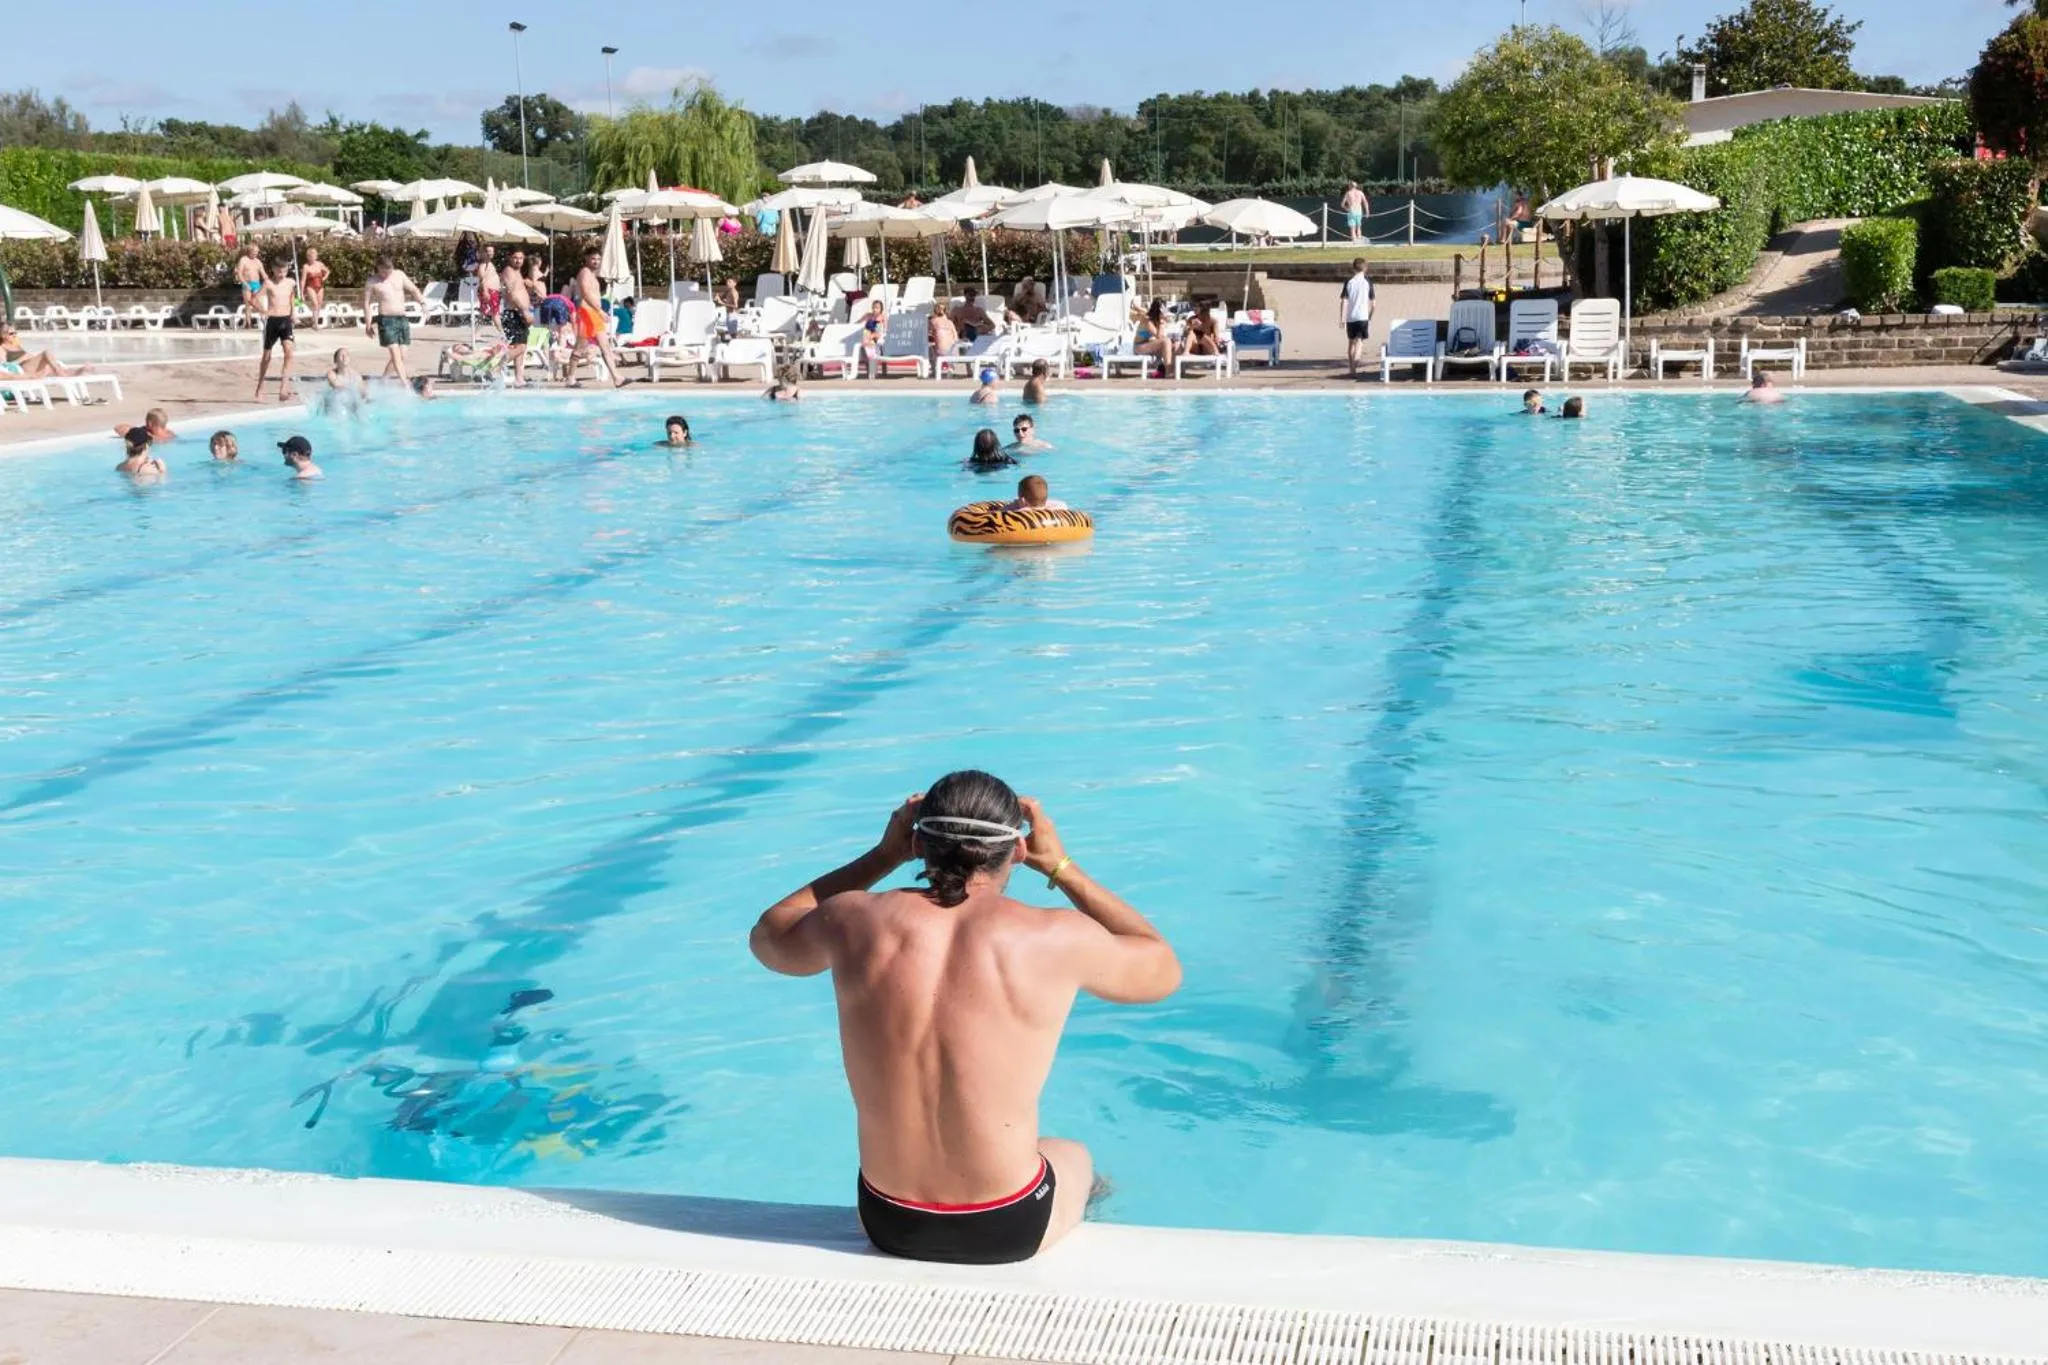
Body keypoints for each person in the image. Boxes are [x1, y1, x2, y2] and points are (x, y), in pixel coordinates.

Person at [749, 773, 1180, 1265]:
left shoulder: (850, 919)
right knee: (1072, 1154)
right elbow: (1161, 968)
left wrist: (883, 856)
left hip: (887, 1219)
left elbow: (770, 935)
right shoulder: (1057, 936)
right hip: (1009, 1223)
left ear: (917, 842)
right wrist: (1060, 867)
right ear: (1017, 849)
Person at [365, 254, 427, 383]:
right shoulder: (372, 282)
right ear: (378, 267)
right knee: (396, 355)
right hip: (386, 321)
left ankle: (382, 381)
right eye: (384, 272)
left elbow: (414, 290)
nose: (386, 274)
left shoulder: (399, 275)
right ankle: (406, 384)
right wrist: (368, 324)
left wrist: (423, 303)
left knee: (402, 355)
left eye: (389, 271)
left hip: (402, 319)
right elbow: (367, 304)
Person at [570, 247, 626, 389]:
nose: (596, 261)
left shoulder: (593, 275)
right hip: (587, 312)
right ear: (586, 259)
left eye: (598, 259)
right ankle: (570, 377)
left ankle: (616, 377)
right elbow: (586, 294)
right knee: (580, 348)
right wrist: (600, 310)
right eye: (593, 258)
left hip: (593, 313)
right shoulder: (584, 273)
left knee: (604, 346)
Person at [250, 260, 298, 402]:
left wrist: (293, 312)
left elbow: (292, 296)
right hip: (273, 321)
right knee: (266, 357)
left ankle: (283, 388)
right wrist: (262, 310)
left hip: (286, 320)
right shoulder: (268, 283)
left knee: (289, 352)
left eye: (284, 271)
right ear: (273, 269)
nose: (281, 274)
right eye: (278, 271)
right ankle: (260, 386)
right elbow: (253, 299)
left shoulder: (291, 282)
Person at [1, 323, 90, 378]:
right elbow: (5, 367)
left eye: (15, 333)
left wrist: (30, 356)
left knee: (50, 365)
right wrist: (22, 359)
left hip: (29, 365)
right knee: (46, 353)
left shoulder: (16, 345)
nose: (15, 335)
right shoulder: (2, 348)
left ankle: (72, 372)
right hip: (22, 369)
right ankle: (64, 373)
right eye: (11, 333)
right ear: (3, 335)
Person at [500, 247, 534, 387]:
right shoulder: (508, 271)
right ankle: (496, 366)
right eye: (515, 257)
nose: (518, 260)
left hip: (519, 313)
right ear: (510, 257)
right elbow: (512, 294)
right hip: (514, 313)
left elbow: (520, 292)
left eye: (520, 258)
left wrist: (530, 287)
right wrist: (524, 312)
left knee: (521, 347)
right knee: (519, 348)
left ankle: (519, 379)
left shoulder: (517, 272)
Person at [1340, 258, 1374, 378]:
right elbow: (1373, 303)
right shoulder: (1367, 282)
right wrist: (1370, 316)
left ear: (1353, 268)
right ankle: (1355, 368)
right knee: (1359, 342)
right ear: (1365, 268)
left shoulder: (1349, 282)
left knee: (1351, 343)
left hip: (1351, 317)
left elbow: (1344, 301)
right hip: (1363, 317)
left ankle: (1351, 370)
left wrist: (1342, 319)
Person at [1132, 301, 1174, 375]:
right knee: (1166, 341)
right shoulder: (1147, 320)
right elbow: (1159, 337)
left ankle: (1173, 370)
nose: (1165, 313)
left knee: (1175, 344)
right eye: (1163, 311)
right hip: (1139, 347)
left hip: (1149, 345)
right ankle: (1168, 372)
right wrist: (1162, 322)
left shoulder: (1156, 319)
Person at [322, 348, 367, 415]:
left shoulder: (356, 375)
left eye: (346, 355)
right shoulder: (332, 373)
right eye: (341, 355)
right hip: (333, 406)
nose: (344, 357)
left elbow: (363, 392)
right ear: (335, 360)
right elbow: (336, 385)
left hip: (351, 406)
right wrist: (353, 389)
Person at [232, 245, 265, 322]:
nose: (255, 254)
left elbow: (263, 273)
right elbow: (239, 274)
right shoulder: (243, 260)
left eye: (257, 252)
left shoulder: (258, 261)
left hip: (256, 283)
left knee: (259, 303)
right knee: (248, 305)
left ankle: (264, 321)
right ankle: (248, 323)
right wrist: (245, 284)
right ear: (249, 251)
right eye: (254, 252)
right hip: (247, 283)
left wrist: (268, 281)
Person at [302, 246, 330, 327]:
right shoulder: (306, 266)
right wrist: (302, 293)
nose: (313, 257)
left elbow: (328, 271)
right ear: (308, 257)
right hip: (310, 286)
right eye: (311, 255)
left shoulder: (320, 264)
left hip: (320, 286)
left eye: (315, 255)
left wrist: (324, 278)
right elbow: (303, 280)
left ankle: (315, 321)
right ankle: (315, 323)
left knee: (319, 304)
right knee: (315, 303)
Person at [860, 298, 888, 378]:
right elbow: (858, 323)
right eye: (874, 307)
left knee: (872, 346)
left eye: (877, 308)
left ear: (881, 309)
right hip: (868, 336)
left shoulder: (883, 317)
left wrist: (874, 335)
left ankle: (873, 371)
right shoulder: (868, 315)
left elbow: (885, 330)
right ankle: (870, 370)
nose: (875, 309)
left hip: (879, 337)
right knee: (865, 346)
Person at [476, 246, 502, 327]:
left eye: (492, 251)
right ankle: (502, 334)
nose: (491, 253)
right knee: (495, 313)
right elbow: (482, 278)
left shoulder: (489, 263)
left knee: (484, 313)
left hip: (492, 291)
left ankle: (475, 334)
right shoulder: (483, 265)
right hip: (489, 291)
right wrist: (485, 291)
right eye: (488, 251)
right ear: (483, 253)